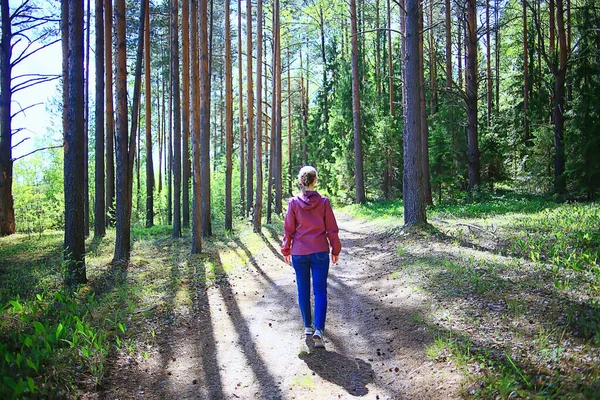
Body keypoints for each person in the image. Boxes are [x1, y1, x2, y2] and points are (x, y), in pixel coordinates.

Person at [281, 166, 341, 348]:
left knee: (303, 290)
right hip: (320, 252)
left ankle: (307, 326)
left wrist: (286, 250)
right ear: (315, 181)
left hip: (299, 253)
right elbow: (332, 229)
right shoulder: (324, 202)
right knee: (320, 291)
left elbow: (288, 229)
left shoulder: (293, 203)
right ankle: (318, 331)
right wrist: (335, 249)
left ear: (301, 181)